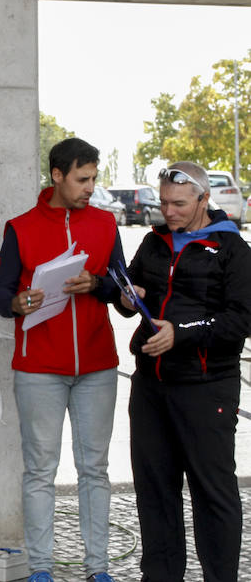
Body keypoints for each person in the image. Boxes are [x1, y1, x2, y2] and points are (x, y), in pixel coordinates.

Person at [0, 137, 125, 582]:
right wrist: (19, 302)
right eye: (82, 179)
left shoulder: (106, 224)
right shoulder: (21, 227)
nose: (90, 187)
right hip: (39, 368)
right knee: (40, 471)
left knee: (94, 469)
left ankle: (99, 570)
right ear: (58, 175)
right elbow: (0, 293)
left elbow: (123, 295)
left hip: (97, 365)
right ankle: (42, 570)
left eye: (94, 178)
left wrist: (98, 284)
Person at [116, 162, 250, 582]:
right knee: (154, 493)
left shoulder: (233, 249)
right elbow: (132, 290)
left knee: (213, 494)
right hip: (151, 387)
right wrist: (125, 297)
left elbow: (241, 321)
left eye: (178, 204)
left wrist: (183, 333)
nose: (168, 212)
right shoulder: (154, 242)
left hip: (207, 388)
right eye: (163, 203)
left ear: (204, 200)